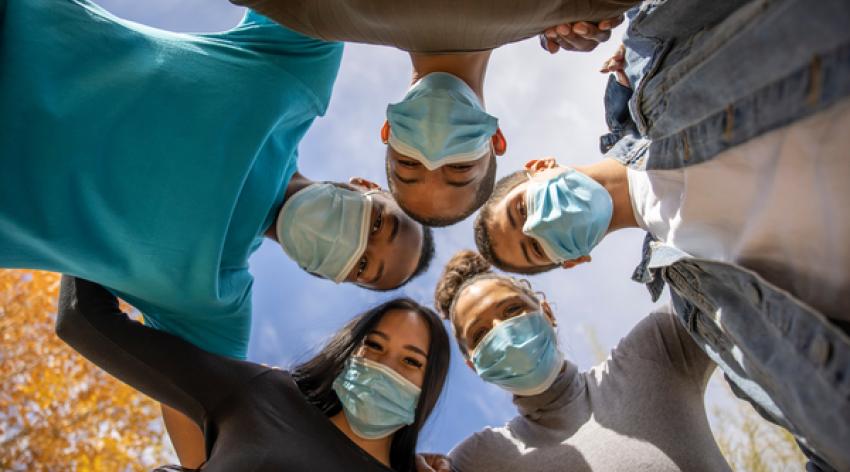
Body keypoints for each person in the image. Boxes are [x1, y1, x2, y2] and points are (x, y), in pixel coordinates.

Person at [0, 0, 432, 463]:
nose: (357, 243)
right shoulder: (295, 74)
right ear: (365, 186)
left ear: (335, 278)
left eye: (364, 266)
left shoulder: (213, 306)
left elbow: (209, 450)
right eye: (379, 223)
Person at [472, 0, 850, 467]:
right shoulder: (702, 315)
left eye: (521, 209)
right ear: (572, 260)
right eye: (534, 246)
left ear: (540, 167)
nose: (535, 224)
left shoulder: (650, 68)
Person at [229, 0, 636, 226]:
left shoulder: (317, 14)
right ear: (494, 141)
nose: (433, 155)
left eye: (408, 164)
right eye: (458, 170)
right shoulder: (568, 10)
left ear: (389, 130)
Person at [56, 275, 451, 471]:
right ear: (348, 352)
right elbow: (84, 321)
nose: (384, 366)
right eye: (374, 346)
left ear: (427, 389)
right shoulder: (264, 394)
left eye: (411, 361)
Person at [425, 250, 729, 471]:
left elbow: (730, 270)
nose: (503, 332)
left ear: (547, 312)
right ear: (473, 365)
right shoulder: (480, 458)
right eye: (479, 334)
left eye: (511, 310)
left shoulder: (653, 355)